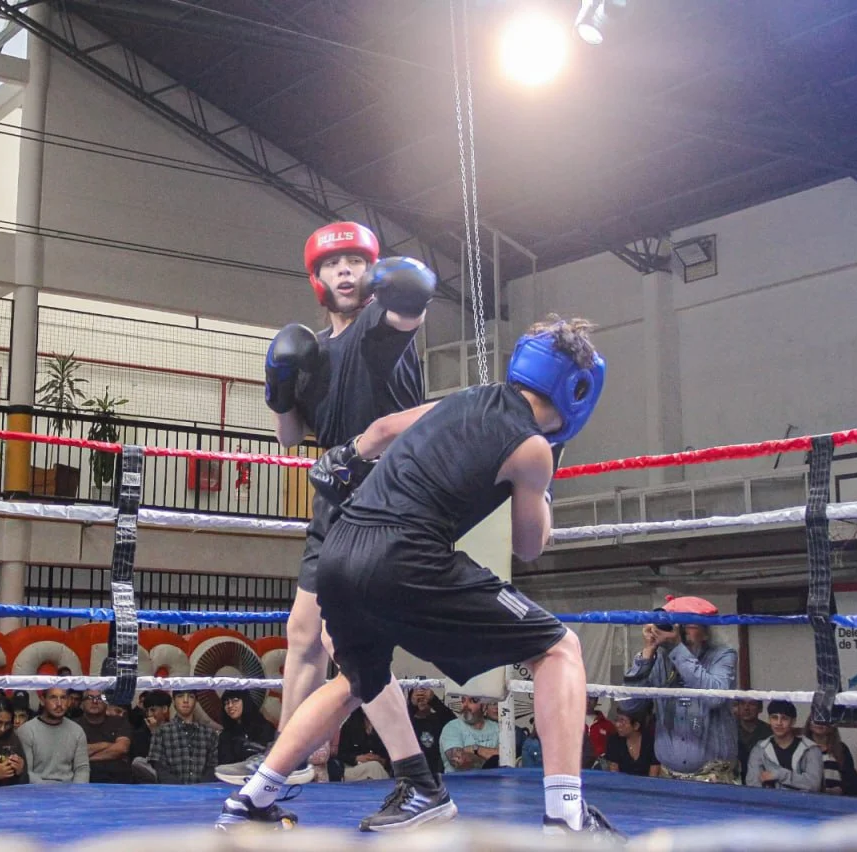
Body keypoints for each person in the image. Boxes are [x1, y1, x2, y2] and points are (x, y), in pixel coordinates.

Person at [216, 315, 620, 837]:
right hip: (404, 555)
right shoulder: (533, 448)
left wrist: (346, 456)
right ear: (579, 391)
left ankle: (252, 799)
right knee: (560, 649)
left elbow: (383, 430)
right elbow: (528, 546)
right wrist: (543, 486)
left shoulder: (466, 398)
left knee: (356, 681)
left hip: (339, 549)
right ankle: (566, 816)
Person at [215, 224, 431, 789]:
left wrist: (410, 292)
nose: (346, 270)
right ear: (317, 277)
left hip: (383, 496)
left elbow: (408, 312)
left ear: (372, 271)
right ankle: (285, 762)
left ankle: (416, 774)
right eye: (334, 263)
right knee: (303, 634)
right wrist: (279, 386)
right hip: (333, 498)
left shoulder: (378, 326)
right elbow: (290, 437)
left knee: (344, 641)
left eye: (356, 260)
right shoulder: (309, 349)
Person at [623, 595, 739, 783]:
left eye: (689, 625)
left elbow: (715, 698)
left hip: (713, 777)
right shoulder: (659, 658)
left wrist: (678, 648)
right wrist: (648, 651)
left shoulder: (723, 655)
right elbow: (629, 706)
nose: (681, 631)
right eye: (677, 624)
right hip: (669, 776)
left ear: (707, 632)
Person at [744, 700, 822, 792]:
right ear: (769, 720)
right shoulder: (760, 748)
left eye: (784, 718)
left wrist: (780, 774)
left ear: (793, 721)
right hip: (768, 800)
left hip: (803, 800)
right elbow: (752, 784)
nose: (779, 723)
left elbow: (814, 784)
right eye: (774, 717)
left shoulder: (811, 749)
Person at [804, 715, 857, 796]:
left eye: (824, 721)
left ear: (831, 726)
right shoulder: (801, 747)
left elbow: (852, 780)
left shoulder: (841, 749)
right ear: (809, 724)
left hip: (836, 798)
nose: (820, 724)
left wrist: (842, 789)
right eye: (817, 720)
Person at [217, 690, 276, 768]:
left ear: (245, 701)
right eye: (226, 703)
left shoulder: (265, 727)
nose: (230, 705)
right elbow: (224, 764)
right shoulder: (225, 735)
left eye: (235, 700)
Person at [603, 705, 659, 778]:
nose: (617, 725)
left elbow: (653, 777)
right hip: (621, 783)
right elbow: (614, 775)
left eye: (622, 721)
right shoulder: (614, 741)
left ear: (636, 726)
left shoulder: (652, 742)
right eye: (617, 720)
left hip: (647, 784)